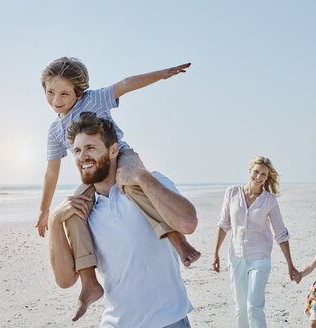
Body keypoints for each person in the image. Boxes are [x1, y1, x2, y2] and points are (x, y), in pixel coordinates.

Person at [36, 57, 200, 320]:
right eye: (50, 92)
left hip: (122, 157)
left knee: (130, 181)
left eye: (64, 93)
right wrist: (47, 211)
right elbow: (51, 171)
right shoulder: (55, 130)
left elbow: (125, 84)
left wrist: (162, 73)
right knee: (73, 210)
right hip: (93, 176)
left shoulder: (93, 99)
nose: (57, 99)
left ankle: (177, 240)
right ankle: (89, 283)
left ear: (78, 92)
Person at [48, 112, 196, 327]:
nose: (82, 156)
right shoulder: (82, 208)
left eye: (91, 148)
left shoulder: (150, 184)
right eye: (78, 151)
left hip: (169, 320)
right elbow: (64, 280)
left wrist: (141, 176)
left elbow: (188, 223)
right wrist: (54, 221)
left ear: (114, 150)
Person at [212, 156, 300, 328]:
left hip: (260, 259)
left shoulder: (269, 201)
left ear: (267, 177)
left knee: (254, 307)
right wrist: (215, 253)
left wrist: (290, 264)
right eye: (256, 172)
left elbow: (281, 233)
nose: (259, 177)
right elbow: (223, 224)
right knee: (240, 309)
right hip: (235, 258)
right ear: (249, 170)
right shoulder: (232, 192)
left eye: (264, 175)